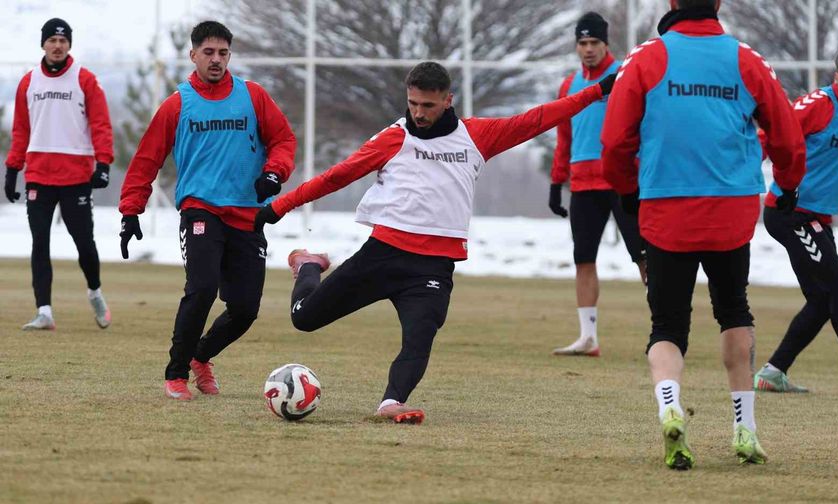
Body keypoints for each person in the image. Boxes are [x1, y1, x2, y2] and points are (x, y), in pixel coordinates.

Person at [255, 61, 616, 424]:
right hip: (382, 255)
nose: (418, 113)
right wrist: (280, 206)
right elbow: (337, 177)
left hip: (432, 268)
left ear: (448, 100)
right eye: (413, 103)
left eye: (427, 105)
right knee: (304, 319)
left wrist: (598, 90)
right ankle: (308, 265)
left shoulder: (477, 136)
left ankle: (391, 402)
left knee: (419, 338)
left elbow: (539, 118)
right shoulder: (394, 137)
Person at [601, 0, 806, 469]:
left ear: (671, 5)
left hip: (666, 207)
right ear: (717, 4)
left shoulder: (645, 58)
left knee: (667, 325)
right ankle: (745, 429)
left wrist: (628, 190)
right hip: (730, 208)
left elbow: (614, 141)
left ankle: (670, 406)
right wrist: (788, 185)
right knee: (734, 310)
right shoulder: (747, 59)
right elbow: (787, 137)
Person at [119, 21, 297, 401]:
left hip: (249, 215)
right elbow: (147, 159)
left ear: (229, 55)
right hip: (200, 210)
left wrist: (273, 173)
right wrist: (130, 210)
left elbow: (283, 140)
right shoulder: (178, 103)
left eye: (223, 53)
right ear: (193, 55)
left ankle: (201, 356)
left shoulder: (254, 96)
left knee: (245, 308)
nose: (216, 60)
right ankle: (176, 373)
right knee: (201, 290)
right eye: (208, 52)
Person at [754, 45, 838, 393]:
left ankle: (773, 372)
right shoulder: (819, 105)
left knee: (821, 299)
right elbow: (771, 135)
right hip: (789, 213)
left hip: (817, 219)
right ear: (836, 76)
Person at [4, 18, 114, 331]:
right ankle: (44, 312)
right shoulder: (29, 82)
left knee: (84, 244)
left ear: (69, 46)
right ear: (43, 44)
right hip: (39, 174)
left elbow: (101, 124)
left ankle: (94, 290)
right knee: (40, 243)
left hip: (76, 175)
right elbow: (21, 129)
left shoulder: (85, 79)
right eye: (52, 40)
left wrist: (103, 165)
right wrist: (13, 170)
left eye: (63, 41)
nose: (57, 45)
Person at [548, 11, 646, 357]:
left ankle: (666, 330)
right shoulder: (569, 84)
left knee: (645, 257)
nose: (588, 49)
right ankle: (588, 338)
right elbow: (564, 136)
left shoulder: (625, 75)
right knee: (583, 259)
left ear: (606, 43)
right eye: (582, 42)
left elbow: (644, 126)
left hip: (623, 181)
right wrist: (556, 182)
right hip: (584, 185)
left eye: (594, 42)